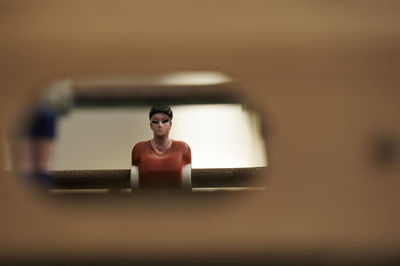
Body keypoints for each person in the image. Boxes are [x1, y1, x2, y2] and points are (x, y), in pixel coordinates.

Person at [131, 105, 192, 190]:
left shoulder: (183, 149)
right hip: (147, 200)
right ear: (151, 125)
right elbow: (135, 186)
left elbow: (187, 186)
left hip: (175, 200)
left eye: (164, 121)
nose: (160, 125)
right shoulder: (139, 149)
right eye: (155, 121)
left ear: (170, 124)